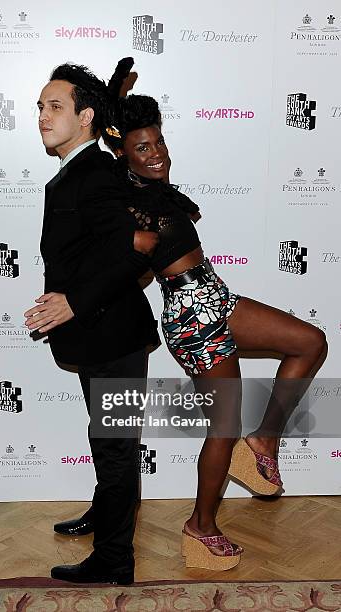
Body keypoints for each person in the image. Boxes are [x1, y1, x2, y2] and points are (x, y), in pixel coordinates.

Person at [102, 86, 327, 570]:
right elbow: (123, 262)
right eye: (143, 147)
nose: (157, 153)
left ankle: (264, 440)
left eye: (159, 141)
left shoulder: (157, 190)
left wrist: (118, 102)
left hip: (216, 295)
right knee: (223, 426)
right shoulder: (124, 203)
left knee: (310, 342)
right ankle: (200, 527)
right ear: (121, 152)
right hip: (189, 314)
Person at [24, 62, 159, 585]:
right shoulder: (76, 172)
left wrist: (73, 302)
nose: (42, 116)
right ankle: (106, 515)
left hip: (114, 333)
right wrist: (67, 296)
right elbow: (95, 253)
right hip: (101, 334)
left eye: (55, 106)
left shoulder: (98, 174)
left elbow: (138, 252)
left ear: (85, 117)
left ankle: (114, 561)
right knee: (106, 440)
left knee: (116, 447)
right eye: (39, 106)